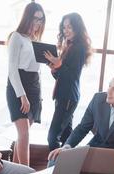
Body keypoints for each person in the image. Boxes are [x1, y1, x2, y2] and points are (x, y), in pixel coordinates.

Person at [48, 72, 114, 173]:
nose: (108, 92)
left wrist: (106, 157)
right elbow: (82, 128)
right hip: (93, 153)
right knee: (55, 159)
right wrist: (67, 147)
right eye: (109, 86)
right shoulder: (97, 99)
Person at [44, 12, 92, 151]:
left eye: (70, 27)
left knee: (52, 137)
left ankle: (54, 168)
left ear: (77, 28)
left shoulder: (79, 47)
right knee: (66, 137)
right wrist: (54, 68)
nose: (66, 31)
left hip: (68, 97)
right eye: (64, 27)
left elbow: (72, 76)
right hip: (64, 96)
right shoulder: (69, 45)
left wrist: (59, 65)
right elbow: (63, 75)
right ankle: (67, 170)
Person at [6, 2, 46, 166]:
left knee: (22, 135)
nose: (37, 23)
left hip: (34, 87)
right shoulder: (16, 36)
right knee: (24, 134)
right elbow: (12, 70)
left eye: (41, 20)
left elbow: (37, 70)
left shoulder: (36, 40)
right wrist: (22, 96)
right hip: (19, 87)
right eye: (35, 19)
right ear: (27, 17)